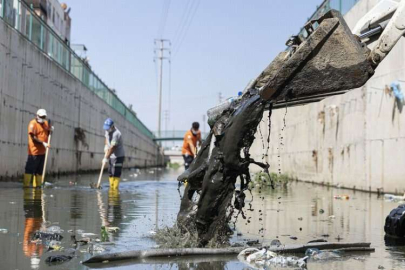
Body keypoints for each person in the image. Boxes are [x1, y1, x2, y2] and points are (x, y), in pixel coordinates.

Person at [23, 109, 53, 188]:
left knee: (39, 171)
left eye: (44, 117)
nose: (42, 118)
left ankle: (37, 186)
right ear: (37, 116)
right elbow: (33, 138)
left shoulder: (45, 123)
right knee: (29, 170)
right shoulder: (33, 124)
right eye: (41, 116)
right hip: (34, 152)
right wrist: (43, 143)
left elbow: (48, 130)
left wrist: (51, 130)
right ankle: (26, 186)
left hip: (42, 152)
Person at [103, 118, 125, 189]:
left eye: (108, 128)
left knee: (115, 173)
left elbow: (113, 147)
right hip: (111, 155)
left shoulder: (116, 134)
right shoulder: (107, 130)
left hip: (118, 156)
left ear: (112, 126)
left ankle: (114, 189)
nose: (106, 130)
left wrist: (106, 158)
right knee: (110, 172)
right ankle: (111, 187)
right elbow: (106, 138)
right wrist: (106, 146)